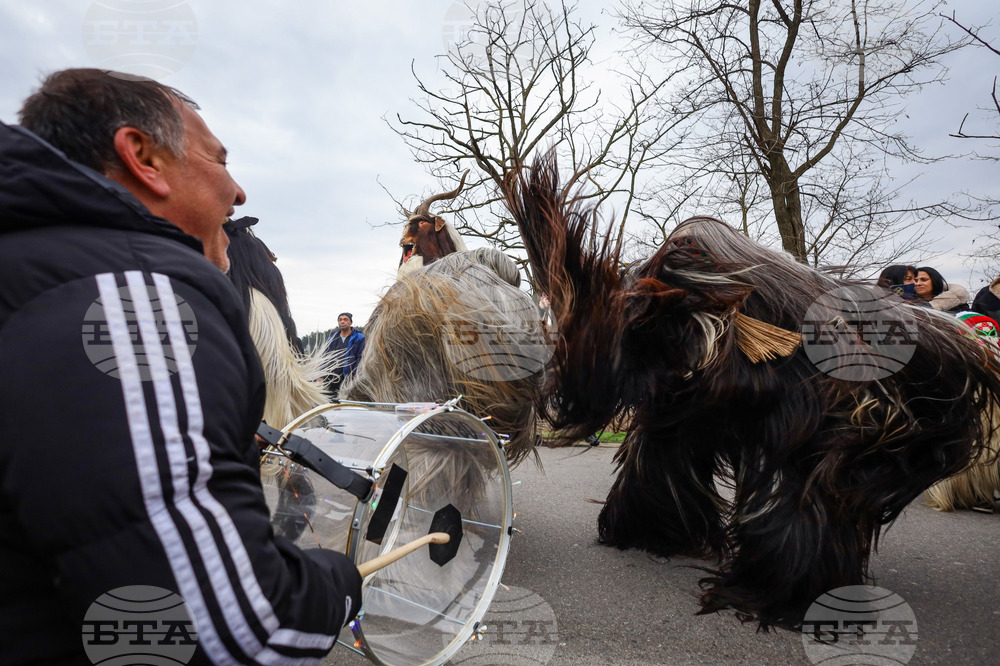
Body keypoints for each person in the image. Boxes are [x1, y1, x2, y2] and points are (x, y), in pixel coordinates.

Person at [0, 69, 360, 665]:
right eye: (219, 160)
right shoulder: (132, 307)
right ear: (143, 155)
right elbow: (237, 629)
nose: (239, 192)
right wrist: (336, 584)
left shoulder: (31, 271)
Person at [324, 312, 366, 396]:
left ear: (350, 322)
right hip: (332, 375)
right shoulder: (332, 337)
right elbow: (326, 355)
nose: (342, 322)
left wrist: (355, 373)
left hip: (348, 376)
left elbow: (361, 357)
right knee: (330, 400)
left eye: (345, 320)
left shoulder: (359, 337)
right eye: (340, 320)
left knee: (347, 400)